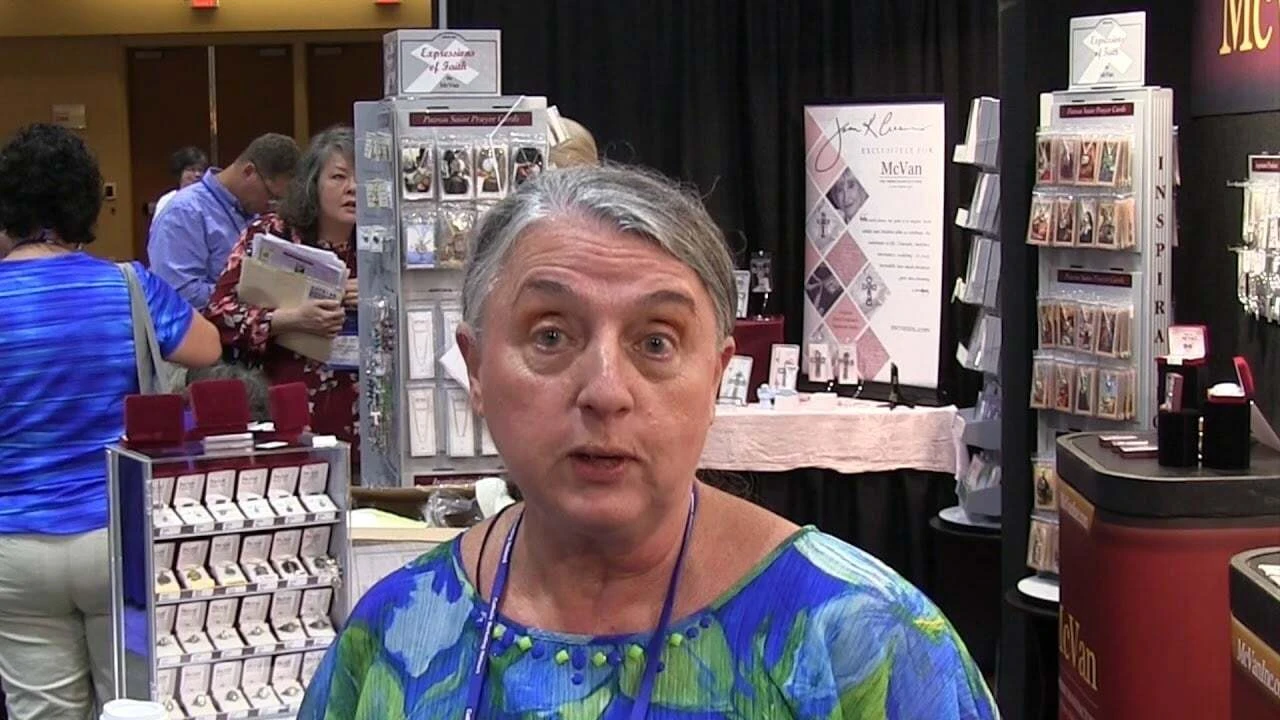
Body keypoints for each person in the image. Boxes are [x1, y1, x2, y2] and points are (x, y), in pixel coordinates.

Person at [298, 165, 996, 719]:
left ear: (716, 377)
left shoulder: (865, 641)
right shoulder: (395, 633)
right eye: (551, 335)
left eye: (656, 342)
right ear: (476, 370)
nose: (606, 390)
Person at [0, 124, 221, 720]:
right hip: (118, 538)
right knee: (135, 704)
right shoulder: (128, 285)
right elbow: (207, 347)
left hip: (11, 544)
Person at [205, 127, 359, 455]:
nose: (353, 188)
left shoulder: (384, 242)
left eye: (364, 178)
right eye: (339, 177)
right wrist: (290, 318)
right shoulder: (273, 233)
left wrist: (377, 299)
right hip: (289, 404)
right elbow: (218, 313)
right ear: (312, 182)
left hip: (370, 412)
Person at [148, 132, 300, 308]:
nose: (270, 204)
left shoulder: (253, 212)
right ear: (249, 172)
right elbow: (181, 294)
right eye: (271, 195)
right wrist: (252, 301)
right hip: (201, 323)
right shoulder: (184, 212)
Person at [152, 145, 209, 218]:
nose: (198, 174)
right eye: (192, 169)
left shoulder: (207, 200)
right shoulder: (167, 200)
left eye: (200, 170)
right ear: (180, 172)